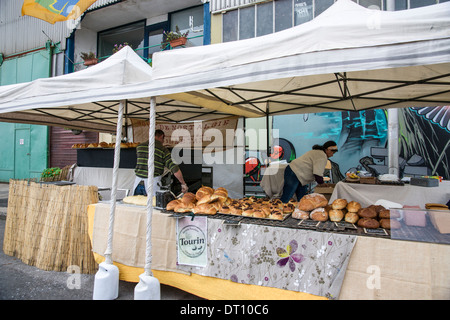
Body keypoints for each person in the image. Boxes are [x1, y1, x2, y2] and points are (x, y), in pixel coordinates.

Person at [132, 129, 188, 196]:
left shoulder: (140, 147)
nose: (163, 142)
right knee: (153, 205)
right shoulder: (163, 150)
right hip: (152, 184)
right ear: (161, 136)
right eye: (163, 139)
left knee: (136, 205)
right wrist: (183, 183)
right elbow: (174, 168)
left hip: (138, 182)